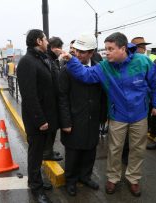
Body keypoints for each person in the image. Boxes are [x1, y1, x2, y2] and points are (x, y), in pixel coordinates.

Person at [59, 32, 156, 197]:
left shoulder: (142, 62)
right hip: (118, 115)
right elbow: (85, 75)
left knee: (137, 149)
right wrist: (71, 60)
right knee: (114, 149)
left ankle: (133, 179)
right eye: (105, 48)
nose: (106, 52)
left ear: (122, 48)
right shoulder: (104, 67)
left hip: (140, 115)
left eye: (110, 49)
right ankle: (113, 178)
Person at [58, 34, 106, 196]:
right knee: (73, 153)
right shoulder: (66, 70)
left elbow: (103, 95)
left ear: (91, 52)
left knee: (90, 150)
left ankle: (85, 177)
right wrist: (65, 121)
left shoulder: (100, 68)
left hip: (92, 119)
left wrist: (102, 117)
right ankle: (70, 180)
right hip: (73, 119)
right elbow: (62, 97)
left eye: (82, 52)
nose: (77, 54)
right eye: (76, 50)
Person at [16, 29, 58, 203]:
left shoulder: (41, 58)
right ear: (39, 41)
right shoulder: (27, 62)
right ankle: (36, 188)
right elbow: (29, 95)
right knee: (35, 154)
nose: (48, 42)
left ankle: (36, 181)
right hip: (37, 120)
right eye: (46, 39)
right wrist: (40, 120)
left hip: (46, 116)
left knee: (39, 152)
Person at [121, 37, 152, 165]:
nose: (143, 49)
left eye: (144, 47)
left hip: (143, 105)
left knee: (137, 139)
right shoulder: (126, 63)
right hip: (126, 108)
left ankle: (130, 160)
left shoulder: (146, 62)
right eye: (141, 46)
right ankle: (125, 156)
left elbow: (153, 83)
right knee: (127, 136)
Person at [43, 36, 64, 161]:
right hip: (50, 102)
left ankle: (49, 150)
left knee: (53, 128)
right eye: (59, 47)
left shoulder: (53, 59)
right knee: (50, 129)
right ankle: (47, 153)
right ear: (52, 48)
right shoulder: (48, 60)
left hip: (54, 101)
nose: (61, 50)